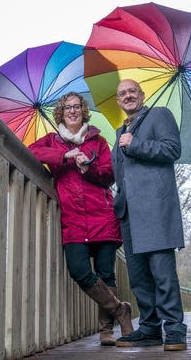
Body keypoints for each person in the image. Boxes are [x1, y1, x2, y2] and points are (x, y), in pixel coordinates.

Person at [28, 92, 134, 345]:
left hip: (102, 216)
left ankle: (106, 331)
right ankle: (120, 309)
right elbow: (31, 151)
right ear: (61, 113)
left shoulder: (97, 141)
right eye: (67, 108)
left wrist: (88, 167)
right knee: (79, 270)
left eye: (77, 107)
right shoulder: (52, 141)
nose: (73, 111)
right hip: (73, 219)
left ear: (83, 111)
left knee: (106, 274)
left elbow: (109, 176)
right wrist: (64, 156)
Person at [111, 79, 187, 351]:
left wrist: (136, 144)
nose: (128, 95)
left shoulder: (159, 115)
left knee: (162, 273)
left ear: (142, 95)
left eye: (132, 91)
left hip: (155, 210)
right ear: (118, 101)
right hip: (128, 214)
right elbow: (121, 172)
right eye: (122, 93)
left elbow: (172, 149)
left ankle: (175, 328)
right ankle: (150, 328)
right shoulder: (121, 130)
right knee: (139, 277)